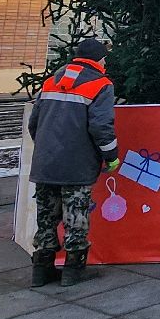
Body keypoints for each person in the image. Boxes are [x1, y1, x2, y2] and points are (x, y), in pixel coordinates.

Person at [27, 38, 118, 288]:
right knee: (76, 216)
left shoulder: (51, 81)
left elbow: (34, 123)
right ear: (98, 59)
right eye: (104, 58)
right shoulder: (101, 85)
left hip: (45, 163)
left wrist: (46, 149)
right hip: (77, 164)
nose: (105, 63)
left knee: (46, 215)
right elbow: (101, 126)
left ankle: (41, 270)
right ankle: (73, 270)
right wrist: (111, 156)